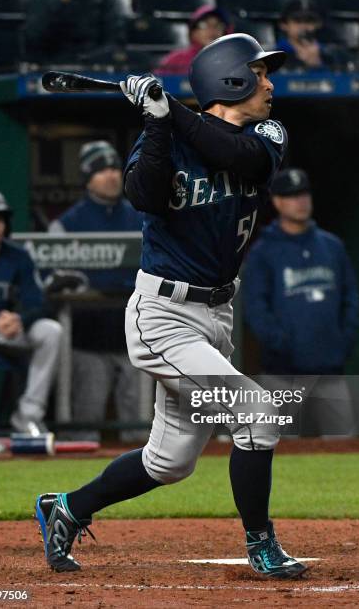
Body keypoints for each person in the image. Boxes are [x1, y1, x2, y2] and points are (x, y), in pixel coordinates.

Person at [35, 33, 308, 580]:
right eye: (259, 74)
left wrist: (171, 112)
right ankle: (262, 544)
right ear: (231, 79)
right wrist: (157, 122)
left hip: (217, 316)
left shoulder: (267, 133)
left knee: (168, 463)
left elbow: (242, 158)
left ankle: (66, 508)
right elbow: (145, 195)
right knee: (258, 414)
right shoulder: (163, 136)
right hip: (163, 316)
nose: (269, 84)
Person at [243, 168, 359, 435]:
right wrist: (280, 345)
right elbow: (255, 309)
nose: (301, 201)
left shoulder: (332, 246)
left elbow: (350, 298)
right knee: (282, 449)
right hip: (282, 374)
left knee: (345, 447)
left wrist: (343, 342)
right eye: (292, 195)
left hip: (330, 370)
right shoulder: (263, 252)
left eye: (304, 194)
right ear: (277, 201)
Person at [49, 141, 144, 442]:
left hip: (134, 336)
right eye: (102, 170)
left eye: (115, 168)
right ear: (87, 177)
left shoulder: (141, 217)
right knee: (84, 426)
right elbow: (57, 279)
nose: (112, 175)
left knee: (140, 426)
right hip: (87, 338)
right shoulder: (66, 224)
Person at [0, 190, 62, 438]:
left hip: (11, 331)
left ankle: (28, 415)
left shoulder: (18, 256)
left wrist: (19, 319)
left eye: (0, 219)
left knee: (51, 331)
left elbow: (38, 303)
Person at [24, 0, 126, 65]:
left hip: (94, 66)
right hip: (52, 65)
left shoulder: (108, 2)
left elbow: (115, 43)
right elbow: (32, 37)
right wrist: (59, 3)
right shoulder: (43, 1)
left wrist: (89, 60)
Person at [153, 5, 230, 76]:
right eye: (204, 25)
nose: (212, 30)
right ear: (192, 31)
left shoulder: (233, 59)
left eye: (218, 25)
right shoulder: (176, 60)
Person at [275, 0, 345, 72]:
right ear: (283, 24)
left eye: (309, 21)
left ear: (318, 24)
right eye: (297, 21)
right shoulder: (274, 55)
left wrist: (317, 63)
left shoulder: (331, 55)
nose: (303, 26)